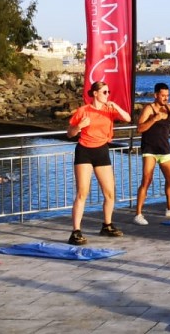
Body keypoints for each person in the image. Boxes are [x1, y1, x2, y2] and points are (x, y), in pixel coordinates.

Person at [66, 81, 131, 244]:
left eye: (108, 92)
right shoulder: (83, 111)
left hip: (102, 151)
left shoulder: (109, 110)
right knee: (82, 193)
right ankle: (75, 231)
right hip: (84, 152)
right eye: (104, 92)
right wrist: (80, 126)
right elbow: (69, 133)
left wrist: (115, 105)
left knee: (110, 193)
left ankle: (107, 226)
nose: (107, 95)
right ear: (95, 93)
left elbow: (128, 118)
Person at [133, 83, 170, 225]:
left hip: (164, 149)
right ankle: (138, 214)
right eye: (163, 95)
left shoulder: (169, 108)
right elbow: (140, 128)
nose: (166, 98)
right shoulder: (148, 109)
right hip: (150, 149)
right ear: (155, 95)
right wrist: (154, 119)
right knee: (146, 180)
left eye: (167, 96)